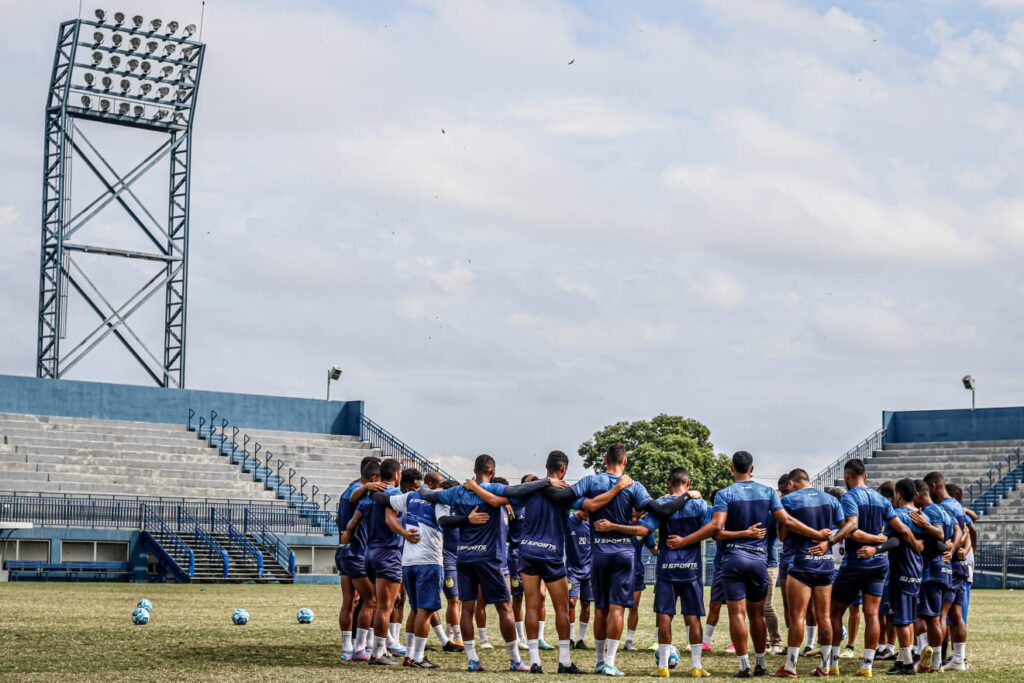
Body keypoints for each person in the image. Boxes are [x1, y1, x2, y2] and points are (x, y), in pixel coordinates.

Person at [418, 454, 560, 672]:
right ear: (491, 472)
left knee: (467, 607)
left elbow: (429, 496)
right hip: (488, 558)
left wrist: (423, 487)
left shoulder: (457, 491)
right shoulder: (493, 489)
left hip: (463, 556)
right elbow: (518, 491)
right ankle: (515, 660)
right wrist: (547, 481)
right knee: (504, 606)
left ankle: (473, 660)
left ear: (475, 470)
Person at [698, 451, 830, 678]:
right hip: (760, 561)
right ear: (752, 468)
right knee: (757, 614)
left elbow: (716, 528)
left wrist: (739, 534)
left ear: (732, 468)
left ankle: (744, 666)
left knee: (737, 614)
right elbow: (787, 521)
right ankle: (760, 663)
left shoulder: (724, 493)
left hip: (733, 559)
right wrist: (817, 533)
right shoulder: (768, 491)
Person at [569, 443, 696, 677]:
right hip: (624, 554)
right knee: (617, 609)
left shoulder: (590, 482)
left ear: (604, 461)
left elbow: (568, 498)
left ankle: (598, 661)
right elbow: (662, 511)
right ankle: (609, 662)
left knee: (600, 608)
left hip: (598, 554)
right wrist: (686, 495)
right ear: (625, 462)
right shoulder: (634, 486)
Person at [467, 450, 598, 674]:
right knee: (561, 608)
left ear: (546, 467)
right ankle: (564, 661)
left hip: (527, 552)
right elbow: (591, 506)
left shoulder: (529, 491)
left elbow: (496, 500)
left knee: (532, 606)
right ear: (563, 469)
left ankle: (535, 661)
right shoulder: (565, 491)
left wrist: (474, 487)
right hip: (551, 554)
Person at [826, 461, 907, 678]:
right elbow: (899, 530)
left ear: (847, 475)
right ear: (866, 475)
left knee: (834, 611)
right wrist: (882, 545)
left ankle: (832, 663)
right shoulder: (882, 499)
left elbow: (851, 530)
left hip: (857, 561)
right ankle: (867, 666)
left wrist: (871, 542)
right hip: (879, 563)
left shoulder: (850, 497)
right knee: (872, 614)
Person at [772, 468, 851, 678]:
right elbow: (845, 528)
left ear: (792, 483)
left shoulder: (789, 501)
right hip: (825, 563)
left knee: (796, 616)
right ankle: (825, 667)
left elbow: (783, 535)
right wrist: (828, 541)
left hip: (802, 562)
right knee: (824, 615)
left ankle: (790, 667)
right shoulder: (831, 499)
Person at [640, 467, 712, 678]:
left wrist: (654, 547)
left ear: (668, 485)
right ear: (688, 484)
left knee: (664, 615)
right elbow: (712, 529)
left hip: (667, 567)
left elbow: (645, 531)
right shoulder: (700, 504)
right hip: (691, 568)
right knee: (693, 617)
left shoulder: (661, 504)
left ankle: (663, 666)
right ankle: (697, 666)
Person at [857, 478, 927, 676]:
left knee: (902, 620)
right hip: (917, 569)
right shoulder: (921, 516)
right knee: (909, 617)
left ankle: (906, 665)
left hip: (902, 570)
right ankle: (903, 658)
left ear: (897, 495)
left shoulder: (897, 515)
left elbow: (894, 541)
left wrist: (875, 549)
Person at [347, 458, 405, 665]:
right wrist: (406, 533)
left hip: (368, 553)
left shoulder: (368, 496)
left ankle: (361, 647)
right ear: (397, 475)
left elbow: (352, 522)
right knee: (385, 607)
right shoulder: (395, 495)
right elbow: (392, 520)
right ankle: (379, 652)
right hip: (388, 553)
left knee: (370, 603)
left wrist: (347, 536)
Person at [925, 472, 972, 672]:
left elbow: (957, 533)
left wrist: (950, 550)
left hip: (949, 566)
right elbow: (964, 531)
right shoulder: (956, 505)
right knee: (957, 614)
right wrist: (960, 548)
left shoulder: (942, 508)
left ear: (934, 486)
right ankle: (959, 660)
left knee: (941, 615)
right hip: (959, 567)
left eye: (928, 489)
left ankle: (939, 660)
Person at [338, 457, 383, 662]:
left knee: (351, 601)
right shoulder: (356, 489)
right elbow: (354, 493)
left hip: (344, 551)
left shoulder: (355, 487)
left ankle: (347, 647)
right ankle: (358, 648)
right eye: (379, 480)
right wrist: (367, 488)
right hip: (355, 553)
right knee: (371, 600)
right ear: (374, 478)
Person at [911, 479, 956, 674]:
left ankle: (932, 660)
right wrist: (950, 546)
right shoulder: (945, 511)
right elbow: (954, 533)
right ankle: (932, 659)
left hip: (931, 571)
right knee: (935, 618)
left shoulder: (930, 511)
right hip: (945, 569)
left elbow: (938, 533)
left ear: (918, 495)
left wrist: (925, 526)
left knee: (927, 617)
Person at [624, 510, 657, 652]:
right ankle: (608, 640)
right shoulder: (616, 524)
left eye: (638, 517)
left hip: (636, 572)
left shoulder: (644, 527)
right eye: (632, 515)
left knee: (634, 607)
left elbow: (654, 550)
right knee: (613, 607)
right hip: (617, 571)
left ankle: (629, 640)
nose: (634, 519)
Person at [566, 509, 593, 650]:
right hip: (572, 570)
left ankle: (580, 640)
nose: (587, 516)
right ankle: (570, 638)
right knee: (571, 602)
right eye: (586, 512)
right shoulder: (568, 520)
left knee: (586, 604)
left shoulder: (591, 523)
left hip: (589, 570)